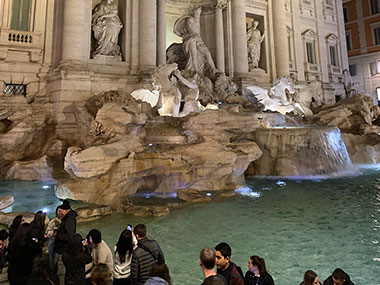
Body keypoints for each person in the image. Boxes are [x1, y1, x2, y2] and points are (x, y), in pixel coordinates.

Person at [173, 7, 219, 75]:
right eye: (197, 12)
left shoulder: (196, 21)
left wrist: (197, 18)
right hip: (191, 39)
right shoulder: (189, 19)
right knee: (193, 56)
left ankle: (213, 68)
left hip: (198, 39)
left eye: (198, 12)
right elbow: (191, 29)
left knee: (207, 53)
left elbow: (196, 31)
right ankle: (196, 72)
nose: (197, 13)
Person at [45, 205, 63, 273]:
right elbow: (47, 231)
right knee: (52, 257)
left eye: (61, 211)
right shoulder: (53, 221)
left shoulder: (65, 221)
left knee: (56, 257)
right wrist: (53, 233)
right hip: (53, 240)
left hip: (60, 241)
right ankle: (52, 271)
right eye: (58, 211)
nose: (60, 213)